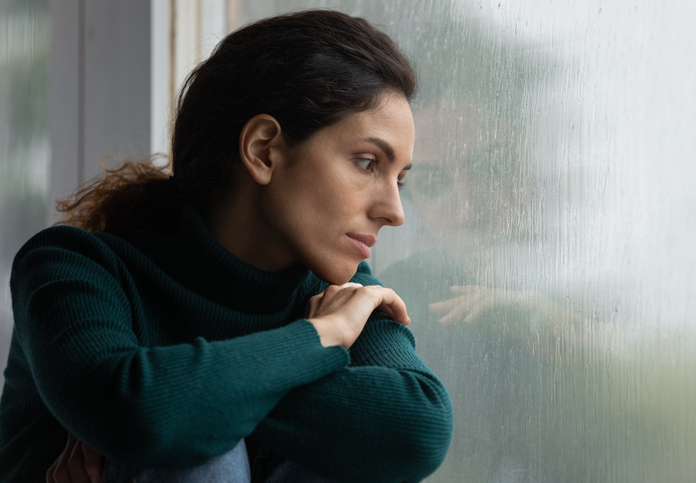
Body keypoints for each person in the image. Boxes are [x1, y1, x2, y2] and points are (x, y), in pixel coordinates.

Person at [0, 10, 453, 483]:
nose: (394, 210)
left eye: (399, 178)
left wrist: (165, 394)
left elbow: (417, 430)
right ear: (263, 151)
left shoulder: (344, 293)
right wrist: (321, 337)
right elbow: (137, 411)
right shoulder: (71, 267)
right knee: (196, 455)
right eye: (366, 163)